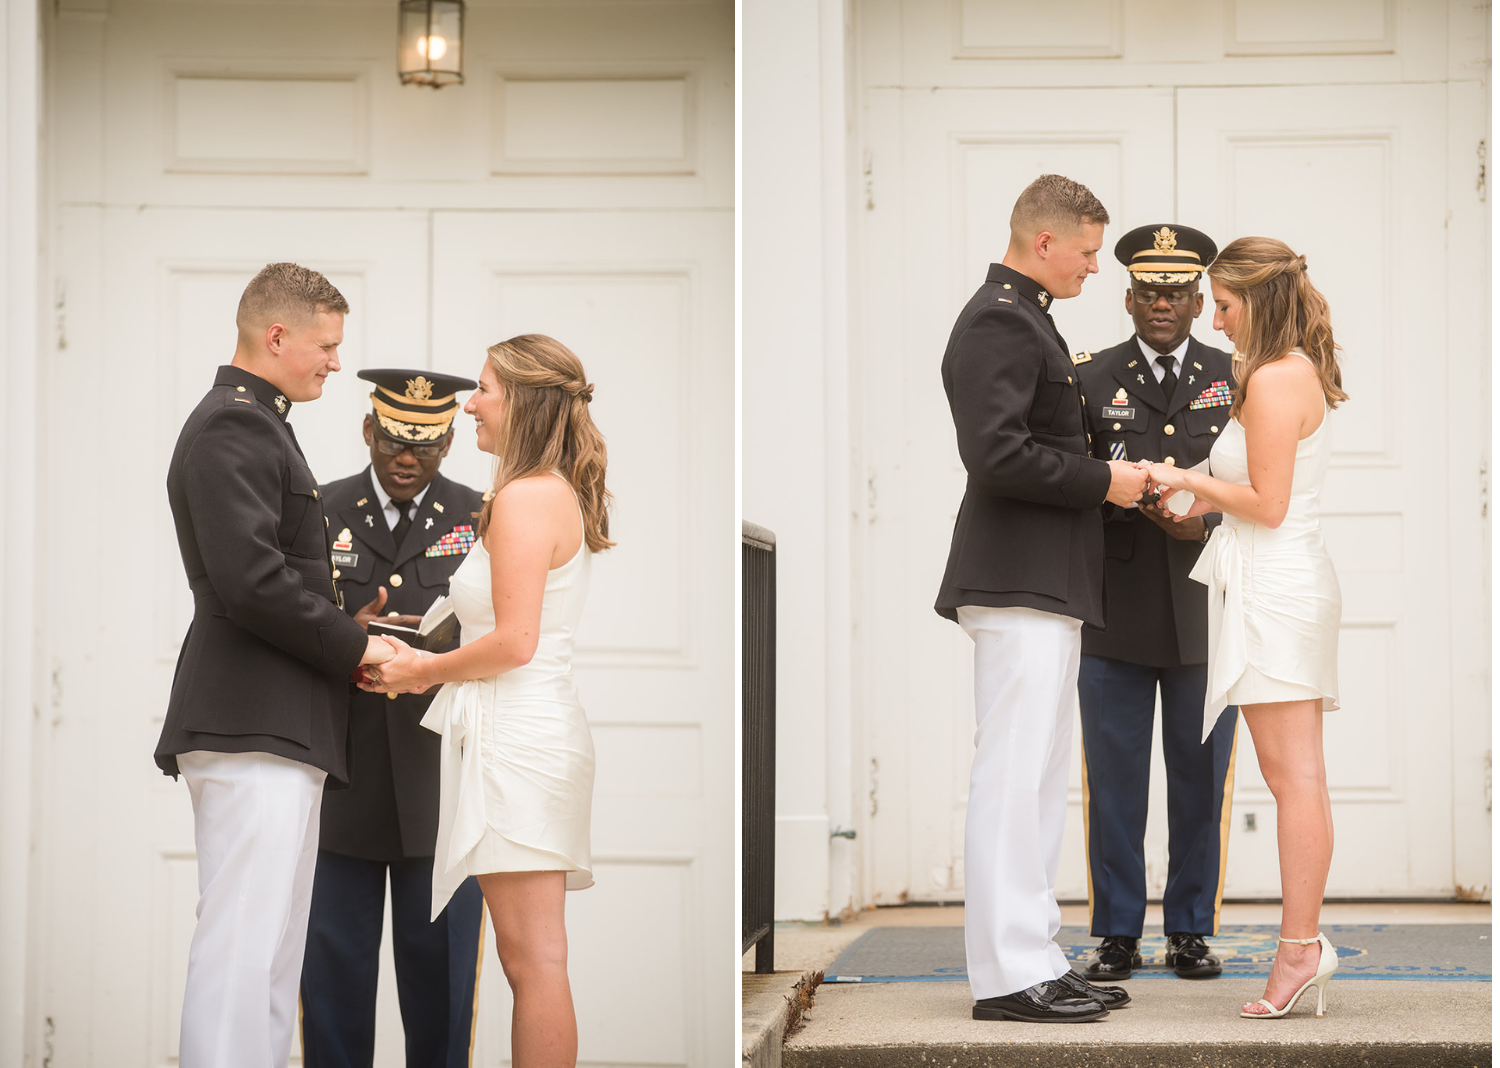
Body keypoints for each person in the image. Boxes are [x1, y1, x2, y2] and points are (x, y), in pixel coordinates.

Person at [154, 263, 396, 1068]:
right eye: (326, 346)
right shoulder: (235, 426)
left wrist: (346, 635)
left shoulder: (261, 421)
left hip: (281, 725)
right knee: (241, 954)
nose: (335, 361)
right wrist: (356, 645)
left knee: (270, 962)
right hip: (252, 720)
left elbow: (275, 580)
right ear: (278, 335)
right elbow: (251, 580)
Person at [359, 335, 611, 1066]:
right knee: (534, 960)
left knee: (533, 963)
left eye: (484, 389)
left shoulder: (528, 498)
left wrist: (421, 672)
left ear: (523, 402)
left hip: (518, 738)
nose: (470, 403)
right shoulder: (545, 489)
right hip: (521, 731)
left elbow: (515, 642)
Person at [933, 174, 1149, 1023]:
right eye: (1091, 252)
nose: (1098, 268)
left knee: (1040, 778)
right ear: (1044, 240)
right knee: (1012, 778)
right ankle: (1005, 975)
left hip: (1047, 579)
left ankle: (1037, 954)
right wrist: (1109, 480)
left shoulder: (1028, 319)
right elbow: (996, 455)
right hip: (1017, 577)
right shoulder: (998, 318)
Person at [1147, 236, 1345, 1019]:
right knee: (1302, 777)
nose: (1216, 321)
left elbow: (1267, 504)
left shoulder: (1271, 378)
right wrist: (1201, 497)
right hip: (1280, 580)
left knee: (1294, 780)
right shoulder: (1290, 369)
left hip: (1276, 590)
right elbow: (1259, 496)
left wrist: (1184, 478)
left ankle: (1299, 950)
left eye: (1222, 305)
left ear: (1253, 300)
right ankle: (1304, 945)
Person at [300, 369, 487, 1067]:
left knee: (440, 989)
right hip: (341, 779)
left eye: (428, 446)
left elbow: (505, 631)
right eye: (395, 442)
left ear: (445, 442)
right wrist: (345, 633)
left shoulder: (480, 515)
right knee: (333, 985)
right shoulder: (319, 507)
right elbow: (290, 621)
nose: (408, 459)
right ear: (369, 431)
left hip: (440, 783)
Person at [1073, 224, 1240, 983]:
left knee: (1199, 780)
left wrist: (1198, 517)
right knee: (1114, 780)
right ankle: (1115, 932)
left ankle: (1189, 930)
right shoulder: (1087, 377)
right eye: (1149, 290)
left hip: (1207, 607)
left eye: (1177, 291)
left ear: (1201, 299)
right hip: (1116, 607)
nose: (1163, 303)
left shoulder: (1236, 375)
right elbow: (1069, 485)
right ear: (1129, 297)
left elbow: (1259, 487)